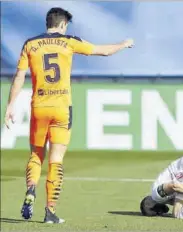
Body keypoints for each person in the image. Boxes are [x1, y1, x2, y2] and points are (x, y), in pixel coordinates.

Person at [4, 7, 134, 224]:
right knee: (56, 160)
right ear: (63, 24)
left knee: (36, 155)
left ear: (48, 23)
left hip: (39, 107)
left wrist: (10, 105)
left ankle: (30, 190)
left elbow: (19, 76)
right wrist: (124, 44)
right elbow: (102, 51)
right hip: (62, 109)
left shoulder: (30, 44)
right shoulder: (69, 41)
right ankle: (50, 212)